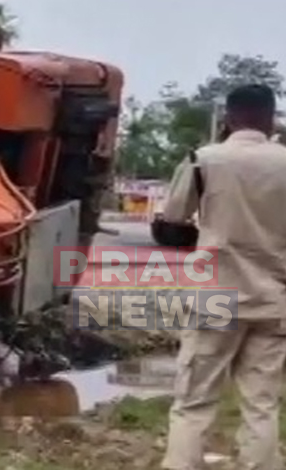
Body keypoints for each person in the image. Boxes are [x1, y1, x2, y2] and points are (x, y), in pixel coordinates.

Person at [160, 83, 286, 470]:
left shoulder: (203, 159)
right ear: (271, 117)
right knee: (262, 406)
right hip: (272, 300)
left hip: (214, 296)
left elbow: (172, 220)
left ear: (229, 117)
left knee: (194, 402)